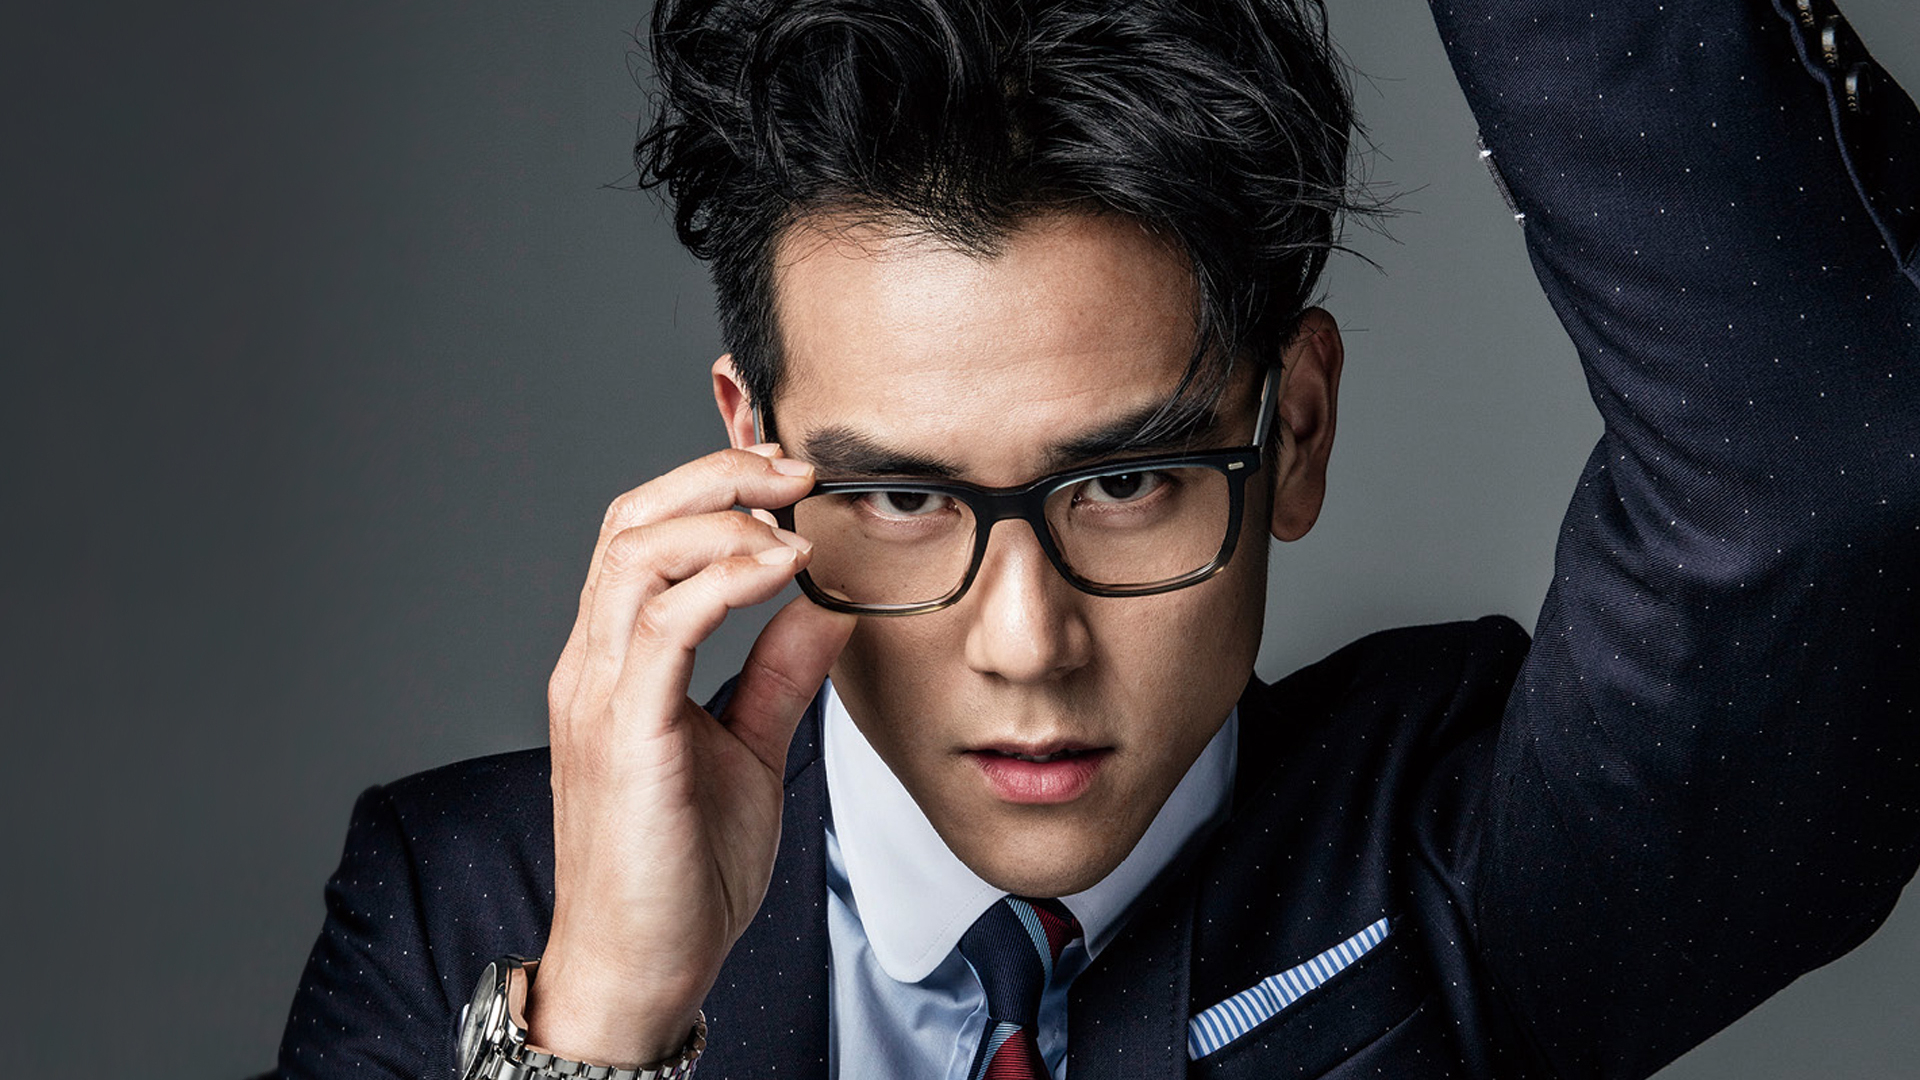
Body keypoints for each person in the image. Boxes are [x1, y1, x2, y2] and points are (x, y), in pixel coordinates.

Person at [276, 0, 1920, 1077]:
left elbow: (1813, 478)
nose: (1025, 643)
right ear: (752, 454)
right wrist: (600, 1028)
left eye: (1126, 486)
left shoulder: (1455, 873)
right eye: (905, 498)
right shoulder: (468, 901)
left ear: (1297, 430)